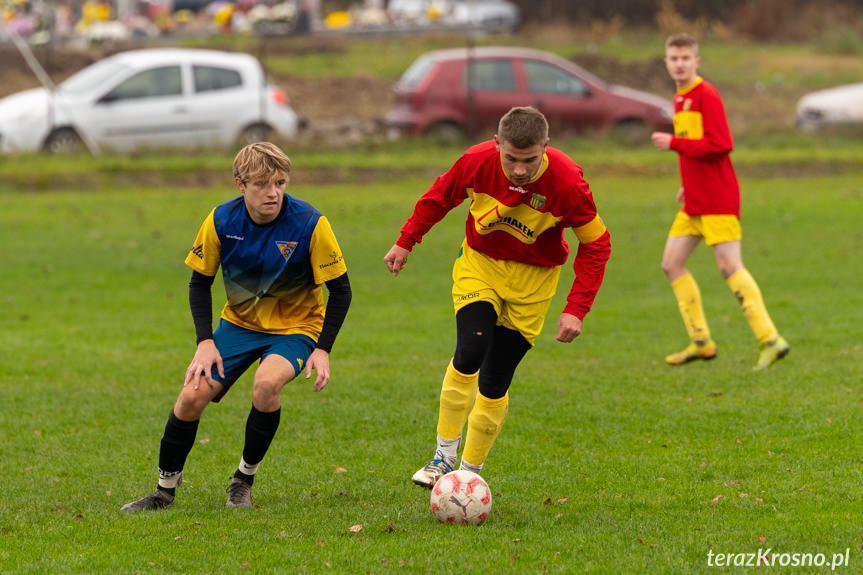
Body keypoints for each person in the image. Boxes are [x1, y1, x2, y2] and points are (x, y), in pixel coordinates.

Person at [384, 106, 611, 487]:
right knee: (471, 349)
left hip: (534, 282)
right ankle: (443, 456)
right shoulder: (476, 161)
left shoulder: (568, 182)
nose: (520, 170)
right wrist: (405, 241)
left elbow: (597, 244)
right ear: (496, 144)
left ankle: (470, 475)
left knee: (494, 380)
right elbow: (439, 198)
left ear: (546, 147)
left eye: (530, 160)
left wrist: (576, 309)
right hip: (481, 265)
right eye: (511, 158)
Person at [121, 142, 351, 511]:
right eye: (262, 184)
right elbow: (199, 283)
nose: (273, 192)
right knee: (192, 395)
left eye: (280, 182)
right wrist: (205, 341)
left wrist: (322, 349)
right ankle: (164, 492)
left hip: (296, 327)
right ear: (240, 184)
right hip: (239, 324)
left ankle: (242, 481)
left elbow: (341, 290)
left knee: (265, 385)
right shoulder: (220, 221)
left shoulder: (311, 223)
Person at [650, 33, 789, 370]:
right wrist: (687, 185)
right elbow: (696, 149)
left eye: (685, 58)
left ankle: (771, 339)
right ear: (666, 62)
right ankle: (702, 341)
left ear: (696, 62)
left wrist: (673, 143)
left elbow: (720, 144)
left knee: (730, 267)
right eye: (674, 58)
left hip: (718, 199)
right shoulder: (680, 97)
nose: (679, 63)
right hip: (695, 200)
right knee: (672, 264)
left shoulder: (706, 94)